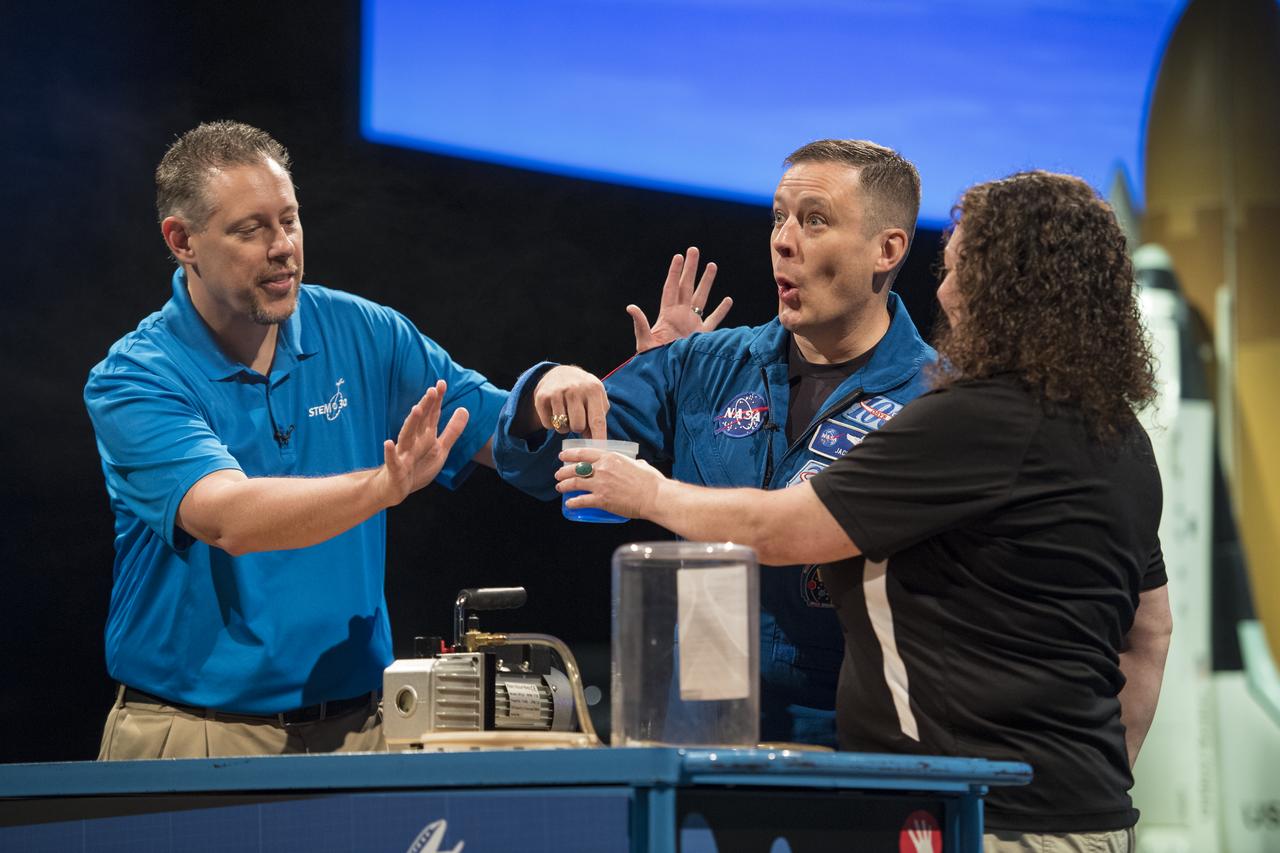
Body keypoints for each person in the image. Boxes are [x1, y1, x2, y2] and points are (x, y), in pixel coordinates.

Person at [555, 171, 1173, 850]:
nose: (943, 293)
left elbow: (786, 529)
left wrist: (646, 491)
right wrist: (1089, 779)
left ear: (1003, 288)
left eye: (956, 270)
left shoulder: (975, 421)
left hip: (981, 821)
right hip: (1087, 818)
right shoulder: (1121, 437)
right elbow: (1150, 631)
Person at [84, 121, 507, 758]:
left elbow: (507, 431)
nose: (283, 247)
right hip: (198, 733)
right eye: (251, 230)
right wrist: (381, 487)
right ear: (182, 241)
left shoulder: (366, 332)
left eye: (289, 220)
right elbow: (230, 520)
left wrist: (595, 387)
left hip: (363, 731)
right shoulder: (135, 378)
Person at [494, 140, 935, 747]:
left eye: (815, 220)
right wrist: (548, 389)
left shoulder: (937, 402)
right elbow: (546, 465)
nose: (783, 241)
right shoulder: (700, 365)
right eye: (778, 217)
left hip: (858, 741)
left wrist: (653, 495)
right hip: (700, 732)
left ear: (888, 249)